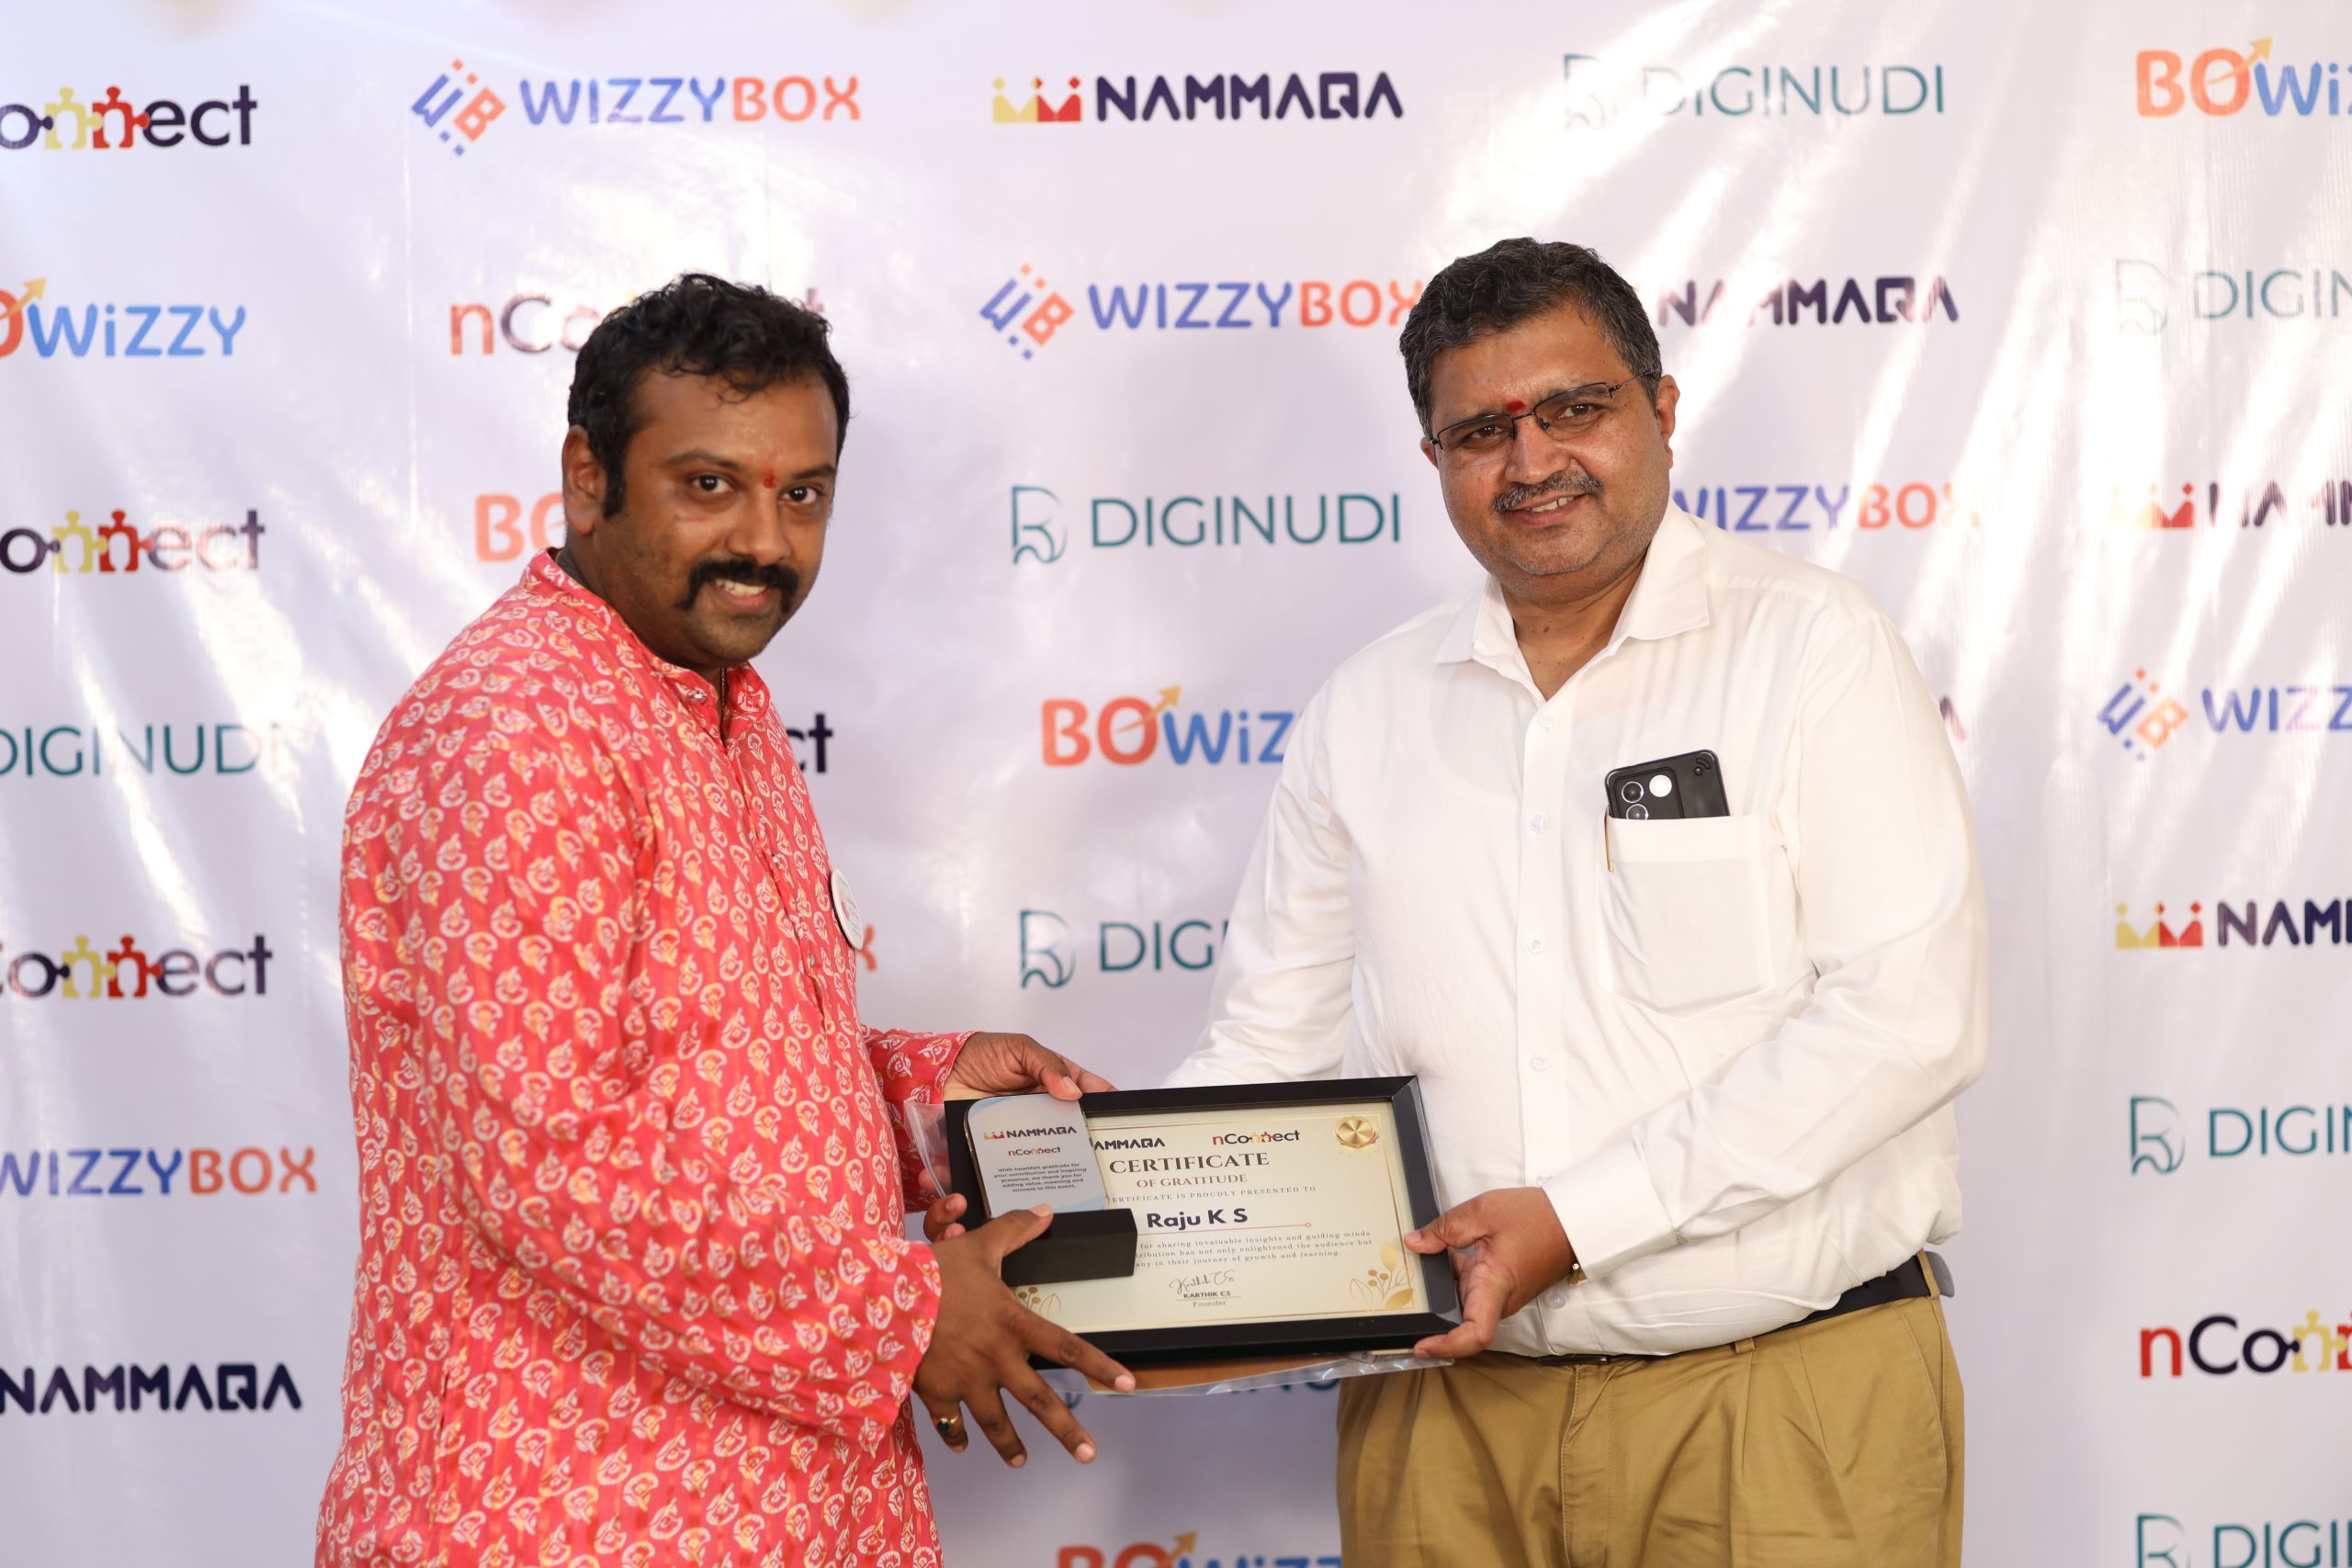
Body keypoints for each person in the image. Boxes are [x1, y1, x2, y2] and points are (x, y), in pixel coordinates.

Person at [1166, 239, 1987, 1568]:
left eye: (1574, 408)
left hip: (1778, 1404)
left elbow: (1905, 1022)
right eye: (1481, 431)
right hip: (1445, 1423)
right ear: (1435, 458)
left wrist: (1575, 1223)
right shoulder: (1364, 710)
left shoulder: (1813, 648)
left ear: (1660, 409)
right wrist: (1107, 1232)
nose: (1531, 460)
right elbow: (1272, 1052)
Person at [315, 273, 1133, 1568]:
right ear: (589, 479)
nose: (765, 540)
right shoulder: (520, 729)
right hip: (574, 1512)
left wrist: (933, 1098)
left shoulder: (715, 699)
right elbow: (550, 1161)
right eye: (709, 485)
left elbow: (718, 1070)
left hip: (773, 1502)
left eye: (803, 494)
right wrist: (899, 1318)